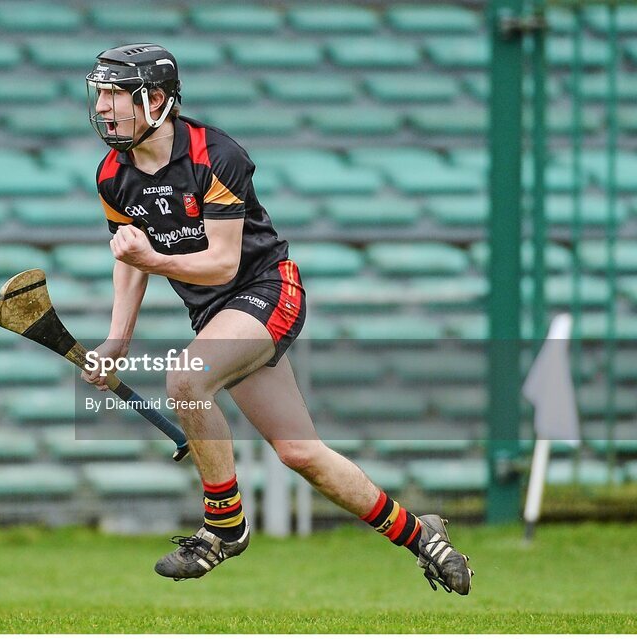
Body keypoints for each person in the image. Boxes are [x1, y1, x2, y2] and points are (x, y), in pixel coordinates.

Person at [79, 43, 473, 595]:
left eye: (117, 93)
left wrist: (152, 257)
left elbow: (220, 263)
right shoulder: (111, 176)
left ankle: (224, 527)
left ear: (158, 100)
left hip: (266, 288)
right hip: (218, 314)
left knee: (187, 378)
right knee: (301, 454)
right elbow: (129, 259)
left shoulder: (216, 155)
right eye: (100, 92)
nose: (104, 106)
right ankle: (421, 534)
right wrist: (117, 339)